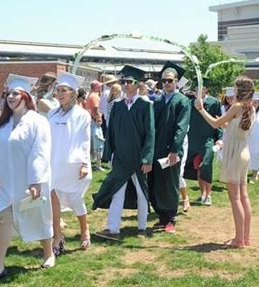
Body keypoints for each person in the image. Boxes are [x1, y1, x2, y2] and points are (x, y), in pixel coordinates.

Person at [0, 74, 55, 278]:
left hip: (30, 182)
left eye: (15, 93)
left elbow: (40, 152)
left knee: (39, 217)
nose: (10, 97)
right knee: (2, 219)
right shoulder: (2, 125)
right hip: (6, 183)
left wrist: (35, 181)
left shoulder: (38, 122)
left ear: (26, 96)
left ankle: (48, 253)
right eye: (8, 94)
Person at [93, 68, 154, 240]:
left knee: (142, 193)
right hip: (120, 157)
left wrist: (147, 158)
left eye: (130, 82)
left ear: (138, 85)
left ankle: (142, 227)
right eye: (124, 82)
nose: (127, 85)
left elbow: (150, 133)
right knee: (117, 192)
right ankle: (113, 229)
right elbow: (111, 131)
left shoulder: (145, 105)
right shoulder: (118, 106)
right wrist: (109, 154)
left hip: (138, 157)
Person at [194, 76, 255, 248]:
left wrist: (200, 109)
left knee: (235, 198)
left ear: (240, 90)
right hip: (244, 151)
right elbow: (237, 127)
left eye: (235, 88)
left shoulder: (237, 106)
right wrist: (226, 125)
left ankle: (239, 239)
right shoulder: (251, 107)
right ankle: (245, 237)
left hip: (235, 153)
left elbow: (214, 124)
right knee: (243, 196)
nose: (233, 91)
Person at [49, 72, 92, 254]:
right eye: (57, 90)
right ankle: (57, 237)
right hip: (54, 163)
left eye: (63, 90)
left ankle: (84, 229)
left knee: (75, 199)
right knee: (53, 200)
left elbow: (84, 139)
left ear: (73, 93)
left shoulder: (82, 115)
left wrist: (83, 163)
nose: (60, 94)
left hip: (73, 164)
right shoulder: (52, 114)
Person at [148, 62, 191, 234]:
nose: (166, 83)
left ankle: (171, 219)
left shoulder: (183, 101)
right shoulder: (158, 102)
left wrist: (174, 150)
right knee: (157, 183)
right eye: (164, 81)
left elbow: (181, 127)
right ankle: (161, 217)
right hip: (157, 150)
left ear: (176, 82)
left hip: (171, 151)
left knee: (171, 184)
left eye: (170, 80)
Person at [184, 84, 223, 206]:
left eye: (202, 87)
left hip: (208, 139)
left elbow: (218, 120)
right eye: (196, 88)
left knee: (206, 165)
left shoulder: (214, 102)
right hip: (193, 140)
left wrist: (219, 138)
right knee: (198, 166)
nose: (199, 90)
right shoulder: (189, 103)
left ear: (207, 89)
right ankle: (203, 194)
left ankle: (209, 194)